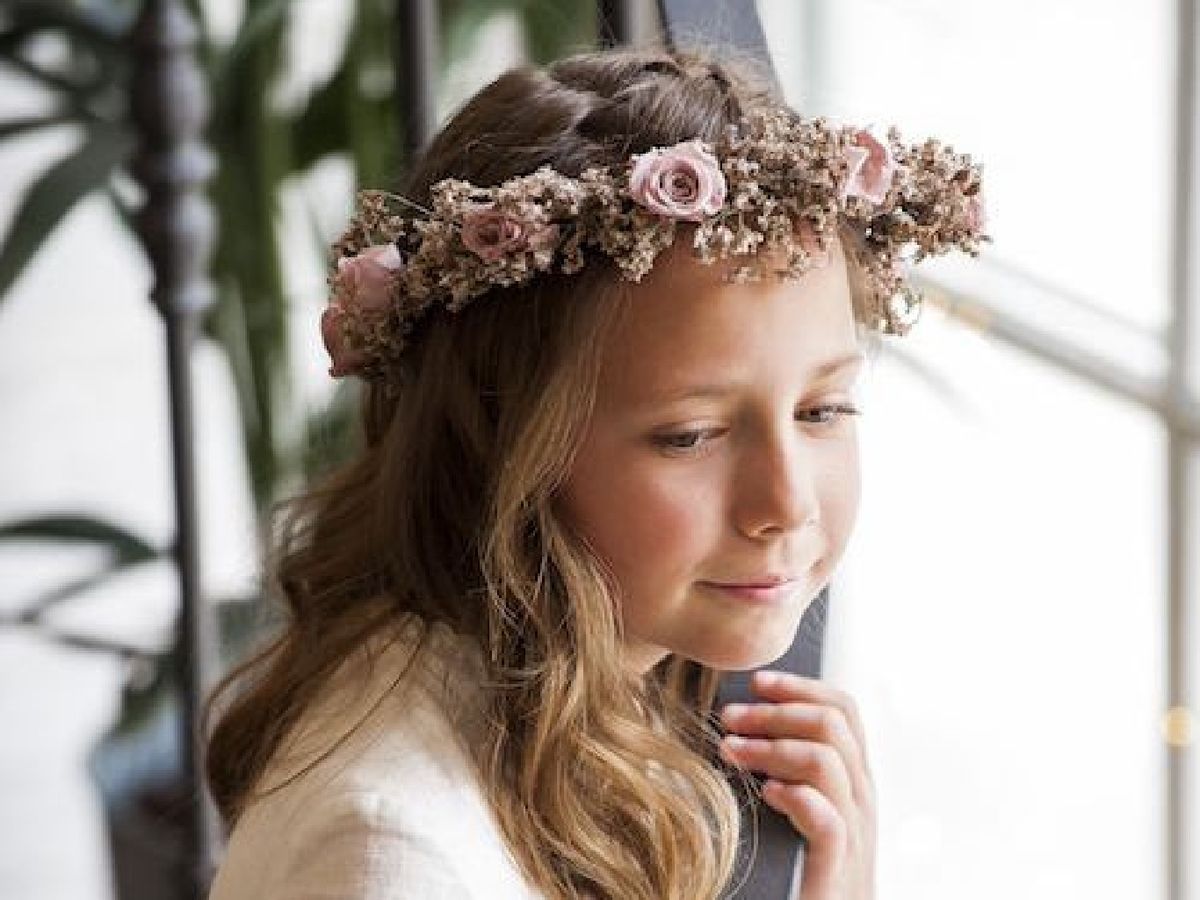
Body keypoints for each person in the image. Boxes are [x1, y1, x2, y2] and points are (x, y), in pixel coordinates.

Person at [202, 44, 987, 900]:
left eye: (822, 411)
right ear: (502, 445)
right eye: (690, 436)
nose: (786, 504)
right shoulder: (396, 859)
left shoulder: (601, 685)